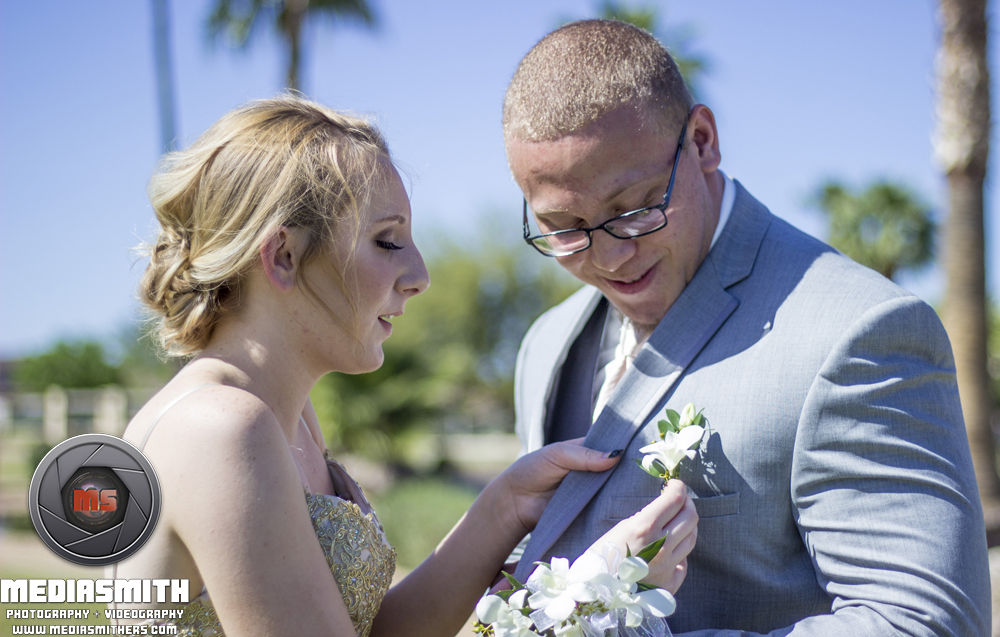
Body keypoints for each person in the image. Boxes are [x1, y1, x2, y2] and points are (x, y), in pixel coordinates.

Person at [111, 95, 699, 637]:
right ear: (284, 256)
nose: (419, 276)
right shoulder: (220, 430)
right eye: (388, 242)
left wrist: (505, 505)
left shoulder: (289, 419)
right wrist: (586, 594)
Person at [505, 19, 991, 636]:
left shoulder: (858, 332)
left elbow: (925, 626)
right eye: (564, 227)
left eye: (633, 210)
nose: (607, 257)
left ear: (703, 141)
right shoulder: (545, 343)